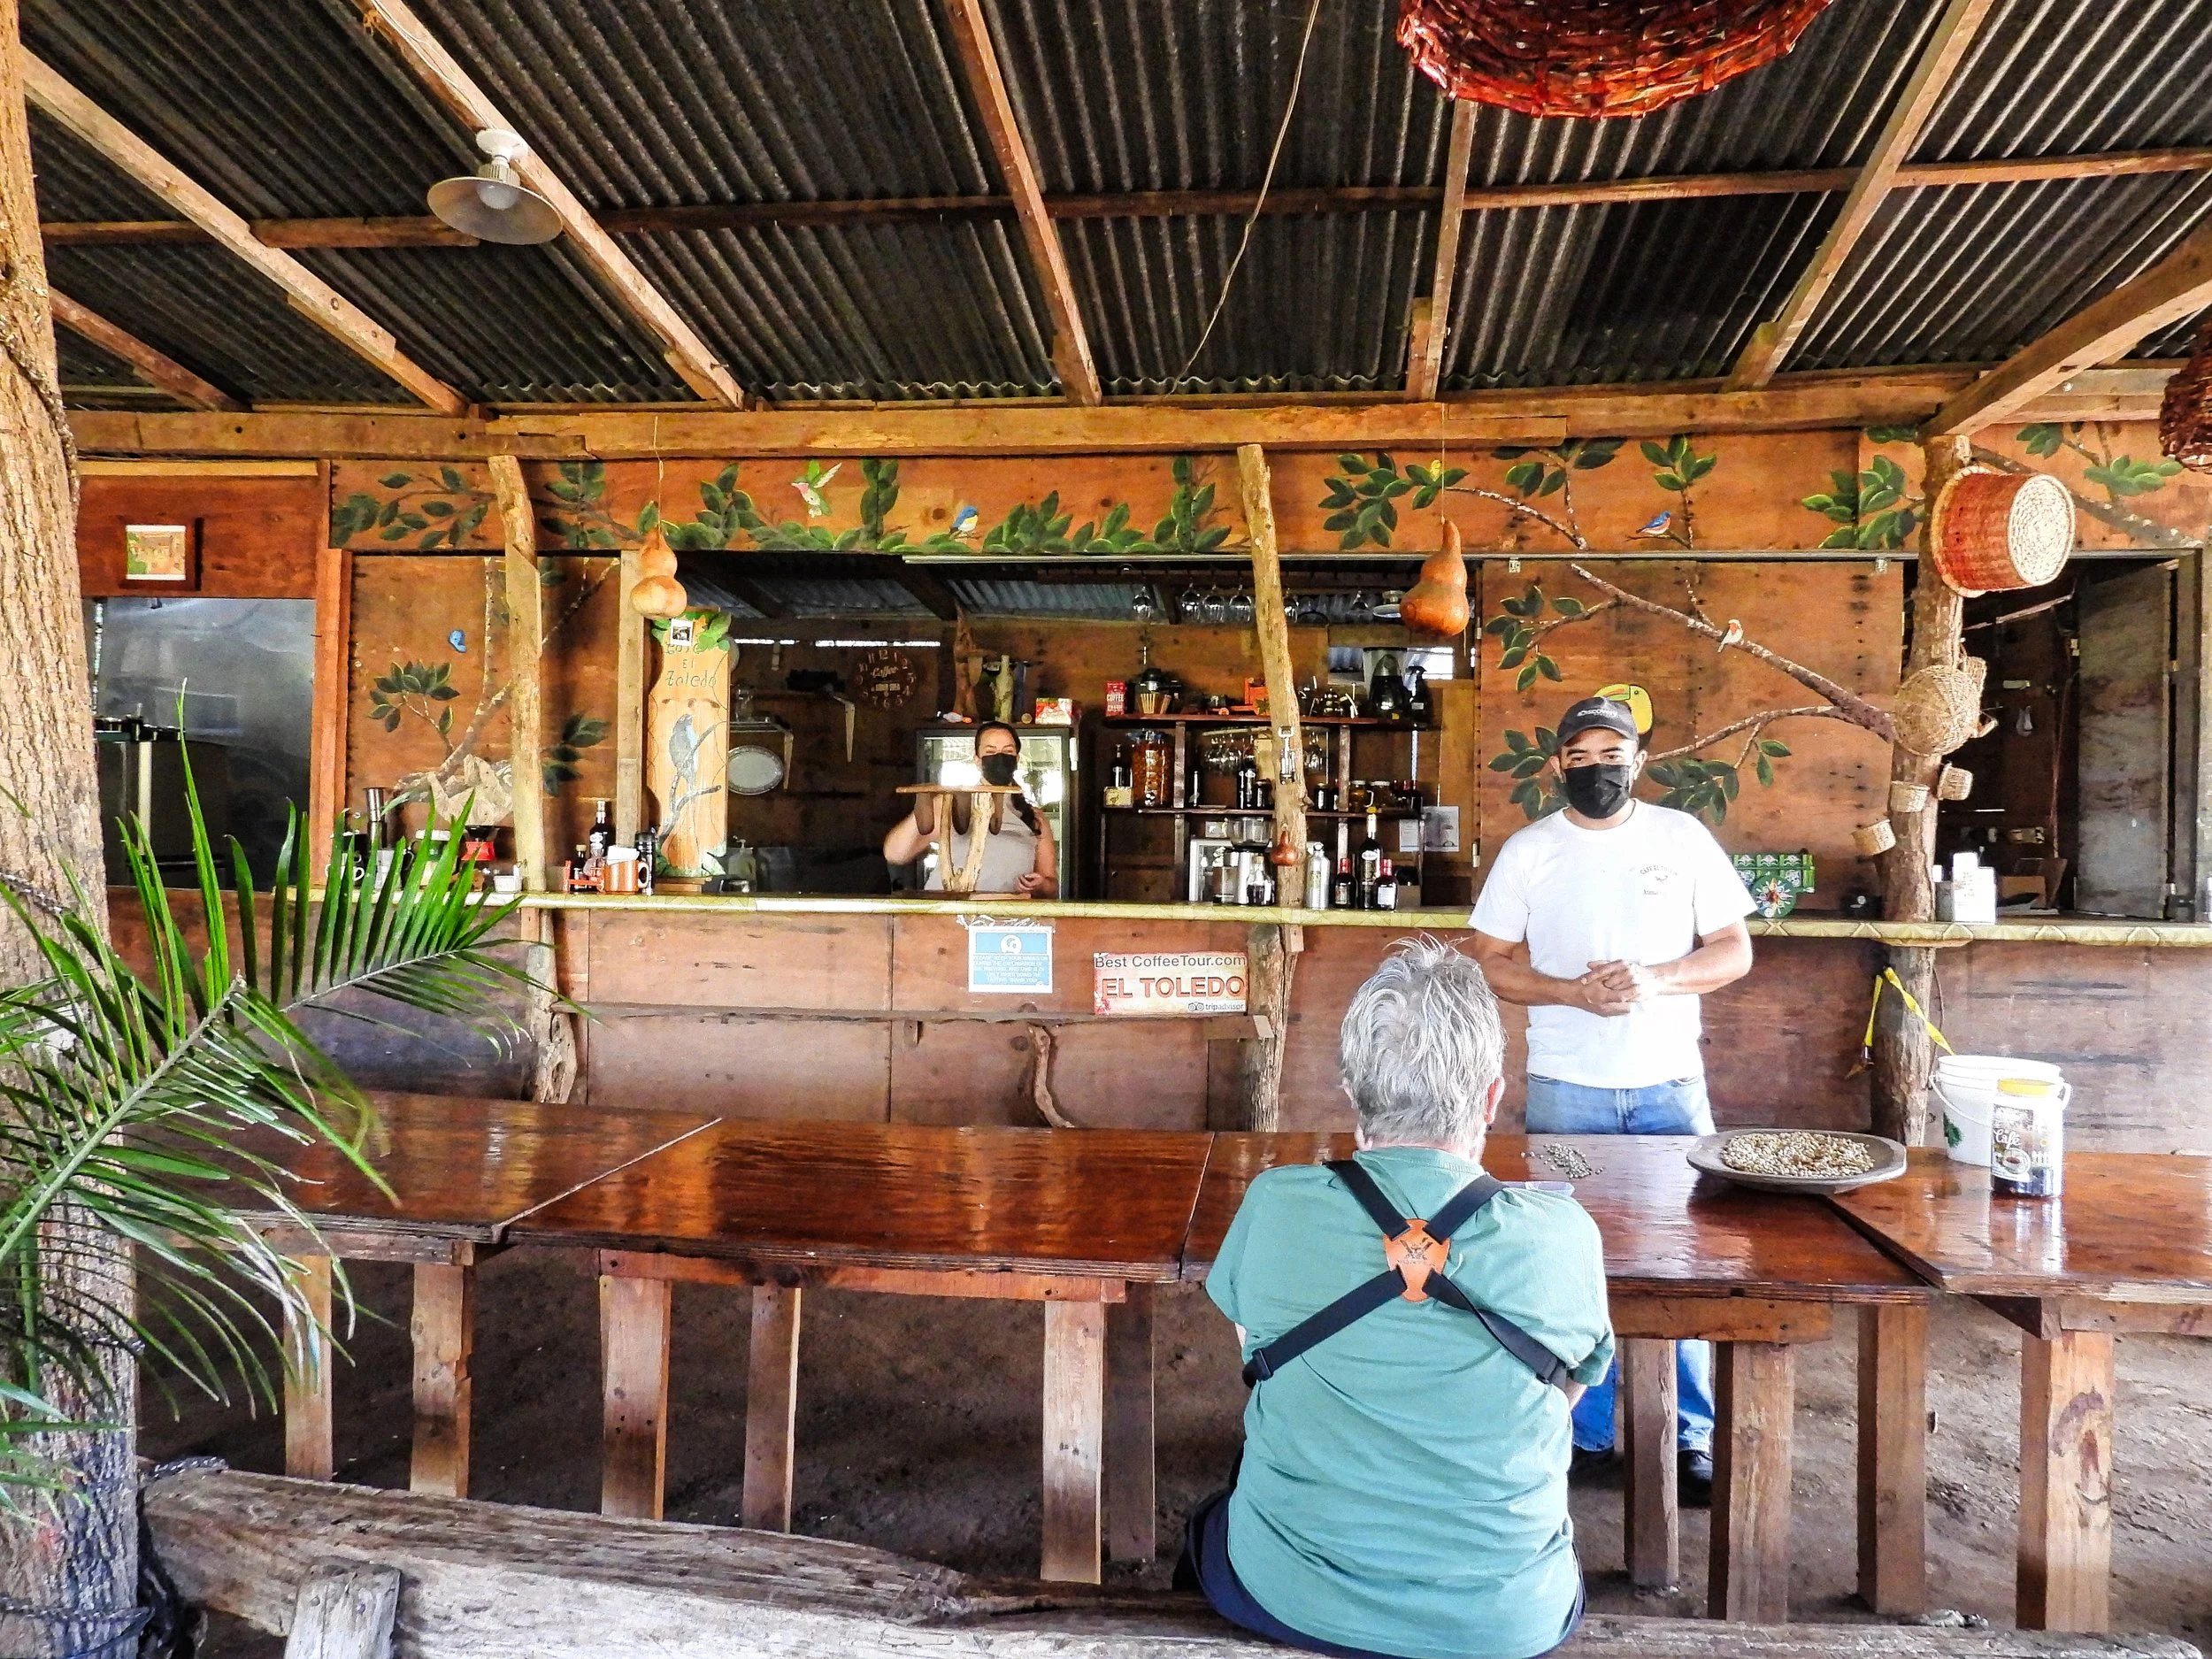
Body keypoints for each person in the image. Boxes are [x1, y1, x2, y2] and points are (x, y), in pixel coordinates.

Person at [1183, 939, 1613, 1659]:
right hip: (1505, 1617)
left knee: (1211, 1521)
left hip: (1292, 1592)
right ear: (1491, 1097)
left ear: (1352, 1093)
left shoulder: (1277, 1204)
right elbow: (1564, 1392)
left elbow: (1256, 1350)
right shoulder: (1564, 1235)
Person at [1468, 694, 1753, 1503]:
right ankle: (1585, 1430)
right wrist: (1567, 992)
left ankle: (1689, 1435)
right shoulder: (1530, 851)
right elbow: (1487, 958)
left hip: (1669, 1089)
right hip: (1568, 1096)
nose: (1597, 768)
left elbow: (1734, 949)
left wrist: (1656, 977)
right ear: (1557, 764)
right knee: (1565, 1259)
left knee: (1687, 1261)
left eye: (1611, 753)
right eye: (1580, 756)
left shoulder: (1682, 838)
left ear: (1640, 759)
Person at [881, 719, 1057, 898]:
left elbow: (1051, 886)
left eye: (1008, 751)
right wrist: (929, 802)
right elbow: (895, 854)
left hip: (1006, 916)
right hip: (947, 912)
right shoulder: (951, 805)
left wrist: (1041, 884)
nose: (999, 757)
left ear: (1017, 759)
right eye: (990, 751)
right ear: (977, 760)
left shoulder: (1034, 818)